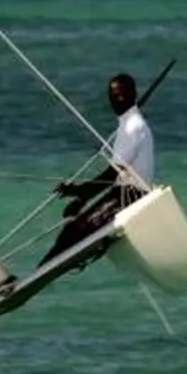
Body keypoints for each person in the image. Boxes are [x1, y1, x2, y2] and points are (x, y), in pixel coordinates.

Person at [46, 72, 155, 261]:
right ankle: (38, 271)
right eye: (113, 96)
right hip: (122, 193)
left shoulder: (132, 127)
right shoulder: (128, 124)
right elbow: (114, 177)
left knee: (75, 231)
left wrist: (80, 192)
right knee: (71, 230)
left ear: (133, 94)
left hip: (131, 197)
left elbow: (112, 174)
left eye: (121, 94)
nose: (117, 100)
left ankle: (38, 273)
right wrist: (82, 197)